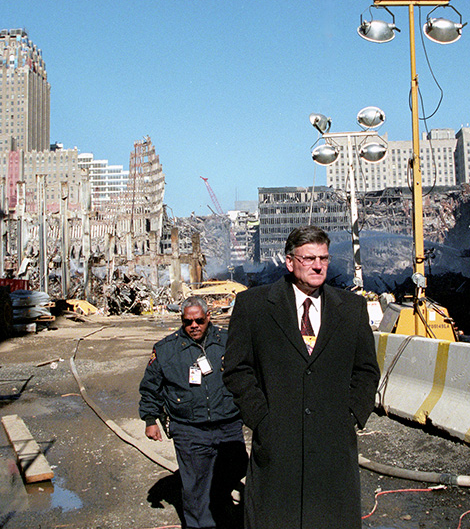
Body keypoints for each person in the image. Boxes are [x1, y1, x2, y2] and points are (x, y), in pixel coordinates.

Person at [223, 225, 380, 529]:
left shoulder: (352, 308)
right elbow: (237, 369)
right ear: (290, 262)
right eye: (308, 258)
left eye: (323, 258)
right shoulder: (254, 306)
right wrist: (262, 419)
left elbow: (366, 370)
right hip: (278, 444)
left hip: (333, 445)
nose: (318, 266)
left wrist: (350, 415)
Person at [139, 296, 247, 529]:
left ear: (208, 317)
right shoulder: (166, 349)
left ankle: (217, 501)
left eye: (199, 320)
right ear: (182, 320)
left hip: (228, 422)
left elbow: (249, 374)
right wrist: (150, 419)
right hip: (189, 428)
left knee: (238, 465)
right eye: (188, 322)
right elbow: (150, 387)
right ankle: (201, 524)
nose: (194, 326)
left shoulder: (229, 341)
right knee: (196, 485)